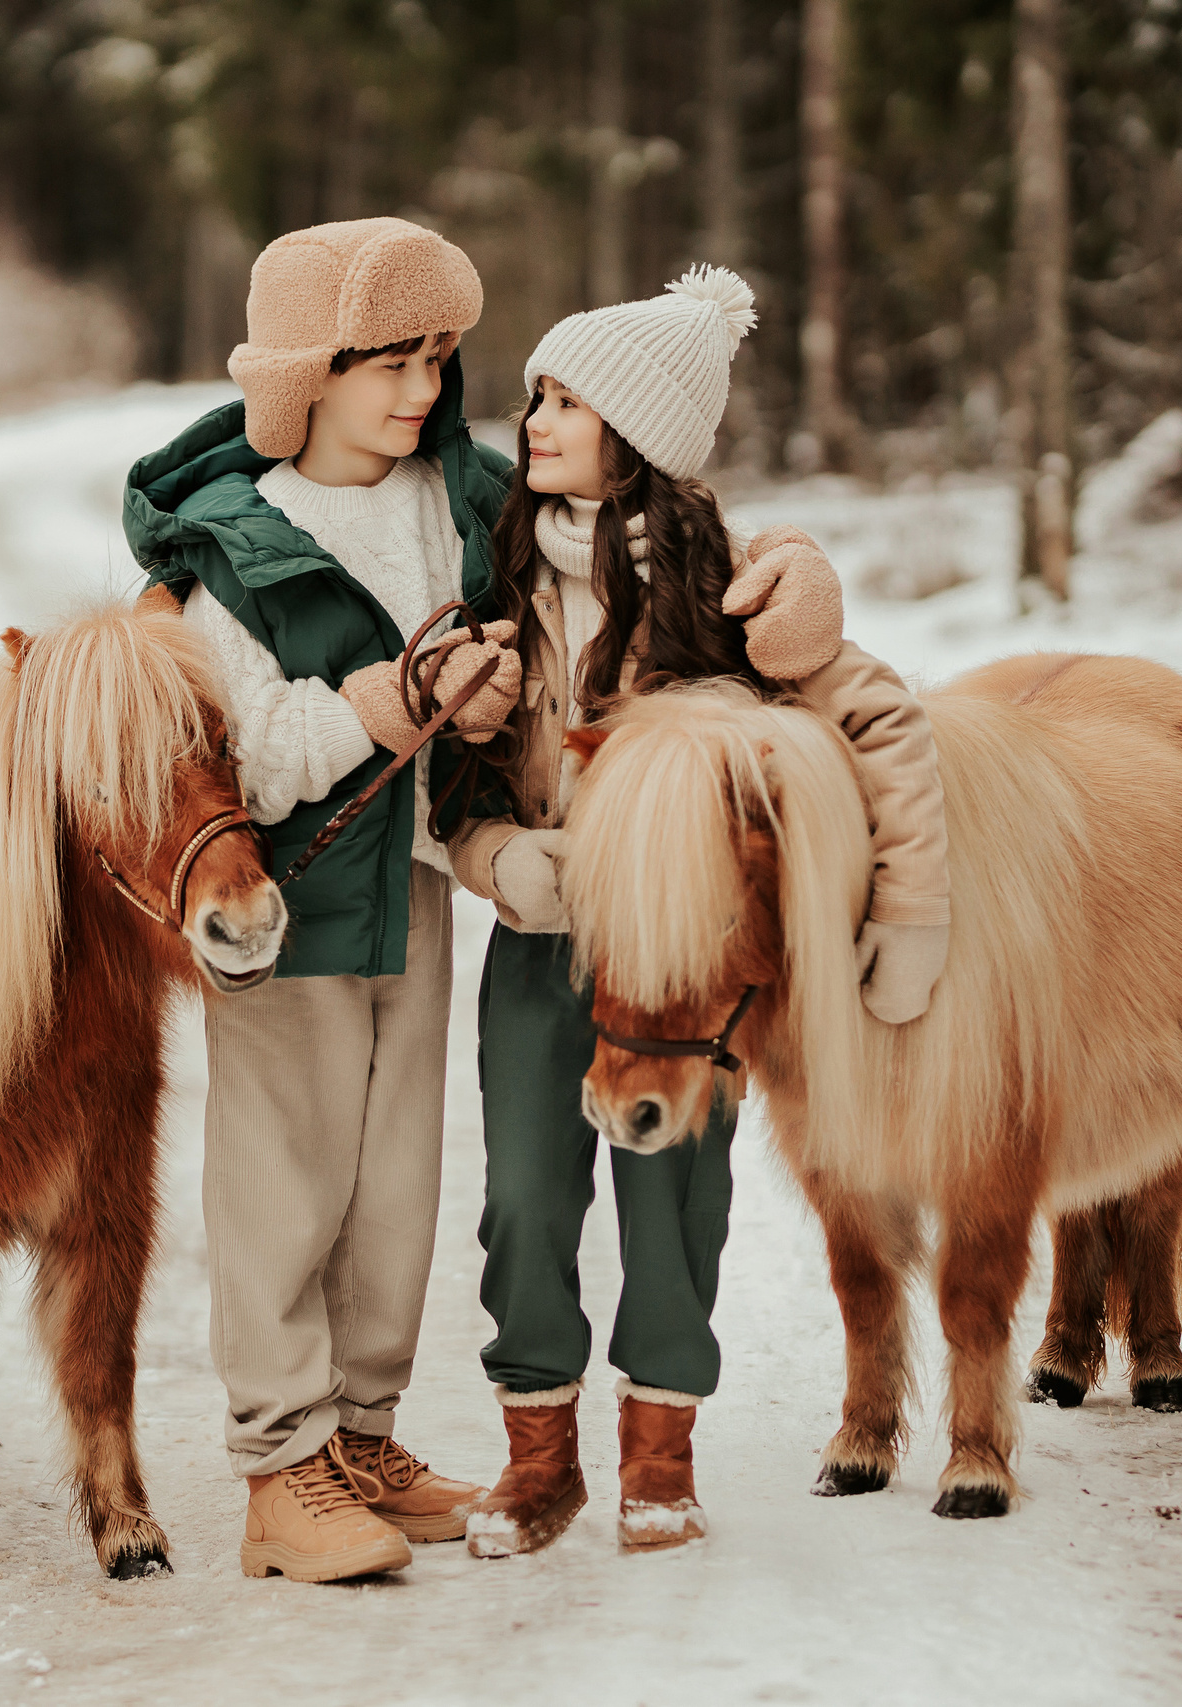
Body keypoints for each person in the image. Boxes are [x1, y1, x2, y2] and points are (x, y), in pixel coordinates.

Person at [122, 223, 838, 1583]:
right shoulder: (225, 543)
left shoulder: (461, 502)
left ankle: (366, 1438)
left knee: (394, 1194)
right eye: (390, 362)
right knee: (288, 1188)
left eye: (440, 359)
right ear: (304, 374)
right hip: (285, 910)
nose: (425, 390)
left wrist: (794, 569)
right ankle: (284, 1468)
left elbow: (651, 508)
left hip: (426, 900)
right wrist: (396, 704)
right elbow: (242, 750)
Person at [445, 266, 952, 1558]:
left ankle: (660, 1457)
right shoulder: (497, 579)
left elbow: (881, 719)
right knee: (524, 1202)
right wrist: (501, 857)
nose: (536, 421)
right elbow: (451, 785)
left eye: (566, 400)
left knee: (677, 1202)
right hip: (542, 950)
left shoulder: (729, 592)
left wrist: (910, 907)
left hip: (681, 961)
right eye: (534, 398)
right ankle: (538, 1456)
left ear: (641, 434)